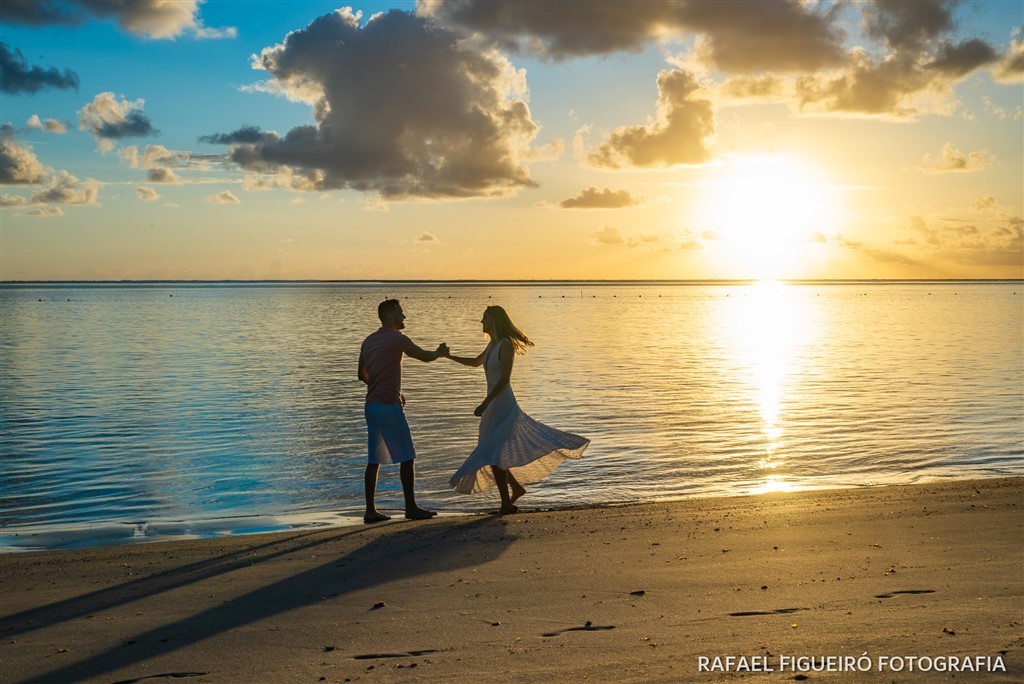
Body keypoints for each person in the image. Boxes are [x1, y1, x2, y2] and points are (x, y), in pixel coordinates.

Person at [445, 305, 589, 514]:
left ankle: (506, 503)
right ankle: (515, 488)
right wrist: (449, 357)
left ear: (494, 321)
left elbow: (504, 380)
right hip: (492, 404)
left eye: (484, 318)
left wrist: (485, 403)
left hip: (502, 404)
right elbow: (475, 363)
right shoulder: (492, 345)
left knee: (493, 452)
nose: (481, 323)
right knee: (492, 451)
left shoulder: (505, 345)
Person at [358, 298, 447, 523]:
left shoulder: (368, 341)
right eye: (401, 313)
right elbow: (424, 356)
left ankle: (370, 510)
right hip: (388, 406)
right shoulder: (397, 339)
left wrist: (381, 386)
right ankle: (411, 507)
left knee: (373, 460)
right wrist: (439, 352)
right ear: (390, 317)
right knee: (407, 456)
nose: (404, 317)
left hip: (372, 406)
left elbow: (362, 374)